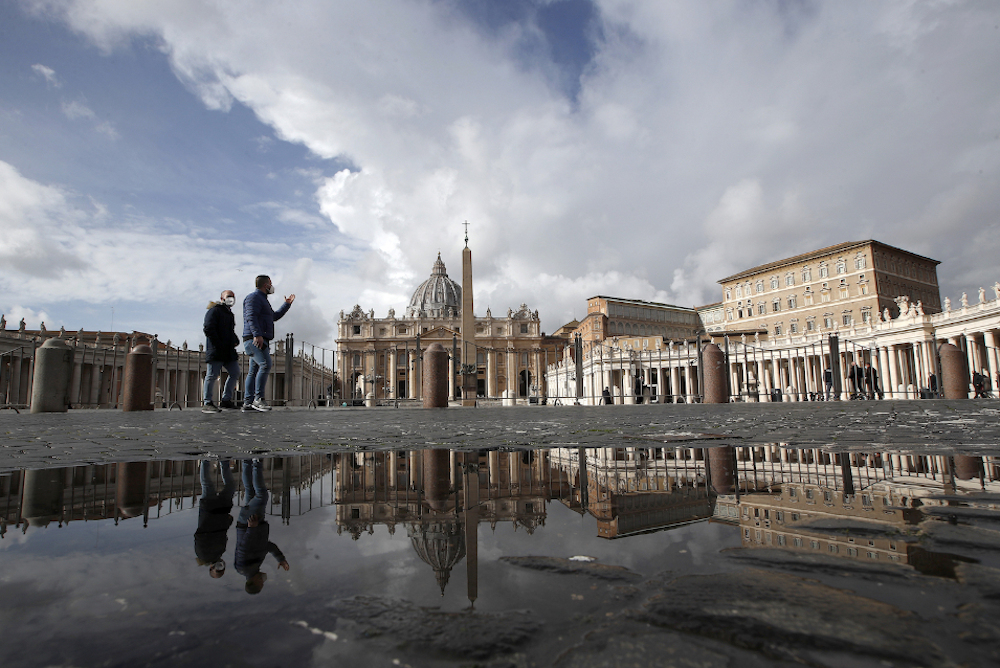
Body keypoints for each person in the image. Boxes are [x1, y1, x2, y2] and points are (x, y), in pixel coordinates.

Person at [235, 459, 289, 594]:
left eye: (261, 583)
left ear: (255, 582)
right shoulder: (253, 567)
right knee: (250, 491)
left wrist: (251, 528)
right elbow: (267, 546)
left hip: (250, 522)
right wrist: (280, 559)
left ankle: (256, 461)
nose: (263, 580)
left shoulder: (245, 568)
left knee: (262, 495)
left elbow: (244, 547)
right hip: (249, 523)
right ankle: (246, 461)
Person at [242, 275, 294, 412]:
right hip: (254, 338)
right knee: (266, 365)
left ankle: (248, 402)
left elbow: (274, 317)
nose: (272, 286)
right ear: (266, 285)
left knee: (253, 371)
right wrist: (256, 334)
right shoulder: (253, 298)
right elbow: (250, 316)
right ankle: (258, 399)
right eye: (271, 283)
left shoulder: (263, 300)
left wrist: (287, 304)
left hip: (259, 338)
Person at [194, 459, 236, 578]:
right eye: (222, 568)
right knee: (230, 486)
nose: (220, 566)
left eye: (217, 569)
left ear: (211, 568)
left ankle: (205, 461)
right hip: (220, 512)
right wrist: (227, 522)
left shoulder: (203, 555)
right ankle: (223, 462)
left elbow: (200, 535)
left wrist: (221, 522)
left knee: (208, 485)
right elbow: (223, 534)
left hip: (211, 512)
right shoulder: (219, 552)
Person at [203, 290, 241, 412]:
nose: (231, 299)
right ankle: (207, 402)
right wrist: (218, 344)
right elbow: (208, 328)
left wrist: (235, 339)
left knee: (235, 372)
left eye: (233, 297)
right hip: (216, 349)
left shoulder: (230, 314)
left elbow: (230, 331)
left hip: (228, 351)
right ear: (222, 298)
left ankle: (226, 400)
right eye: (229, 296)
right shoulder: (214, 310)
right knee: (212, 375)